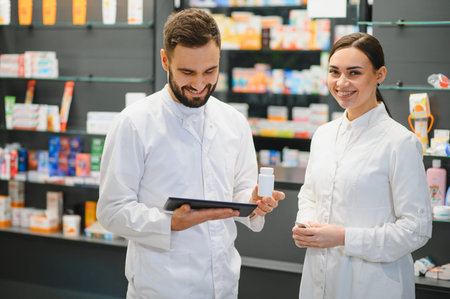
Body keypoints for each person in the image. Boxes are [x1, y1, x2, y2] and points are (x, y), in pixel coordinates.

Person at [96, 8, 285, 299]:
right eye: (187, 72)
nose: (199, 84)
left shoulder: (234, 122)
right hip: (161, 287)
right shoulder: (135, 123)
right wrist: (169, 222)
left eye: (210, 71)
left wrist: (254, 202)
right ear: (165, 60)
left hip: (223, 284)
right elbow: (111, 211)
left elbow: (241, 193)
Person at [292, 32, 432, 299]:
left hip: (374, 285)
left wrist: (344, 237)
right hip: (318, 278)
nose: (341, 83)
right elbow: (309, 195)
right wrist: (306, 225)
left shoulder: (400, 142)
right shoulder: (323, 135)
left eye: (354, 73)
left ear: (380, 75)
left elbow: (416, 229)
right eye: (334, 72)